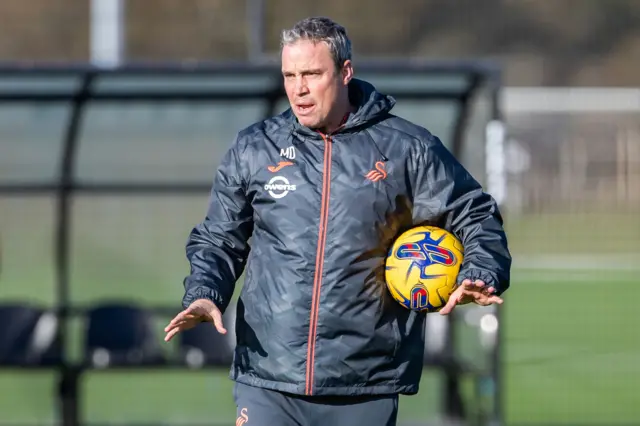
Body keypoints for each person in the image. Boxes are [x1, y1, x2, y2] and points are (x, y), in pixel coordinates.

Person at [164, 16, 511, 426]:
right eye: (290, 75)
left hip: (364, 384)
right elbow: (219, 239)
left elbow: (474, 212)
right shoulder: (255, 149)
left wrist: (482, 270)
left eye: (312, 74)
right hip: (268, 378)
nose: (299, 88)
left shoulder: (406, 149)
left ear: (345, 72)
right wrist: (205, 292)